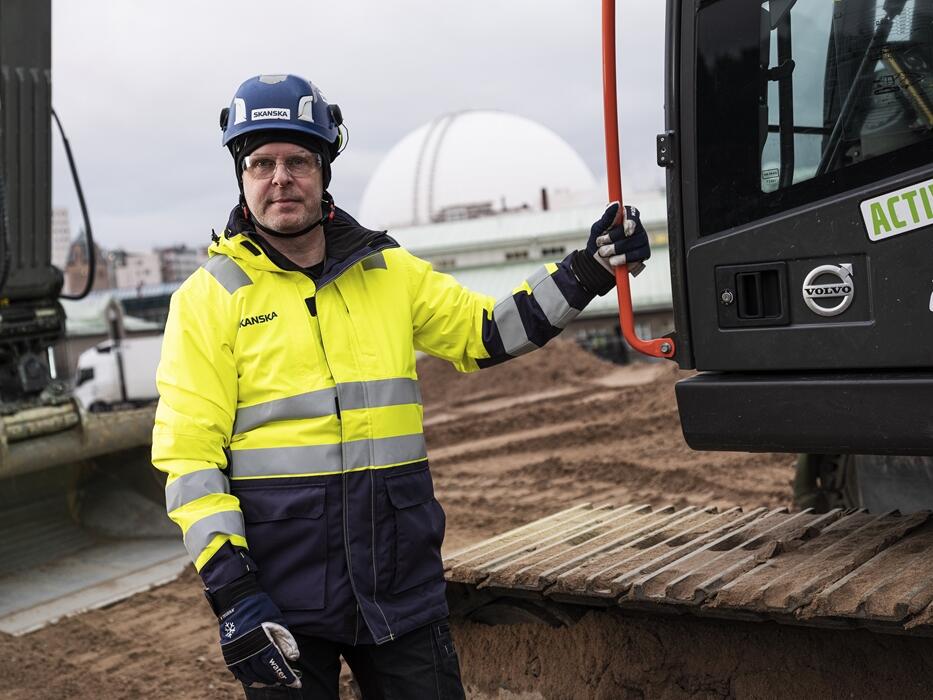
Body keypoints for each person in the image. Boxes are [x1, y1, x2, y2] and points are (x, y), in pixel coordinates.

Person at [152, 73, 651, 699]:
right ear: (241, 174)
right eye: (261, 163)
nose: (280, 178)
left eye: (298, 161)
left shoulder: (388, 273)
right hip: (282, 600)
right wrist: (234, 595)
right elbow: (190, 459)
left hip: (398, 587)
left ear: (326, 167)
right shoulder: (207, 300)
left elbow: (488, 332)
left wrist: (589, 269)